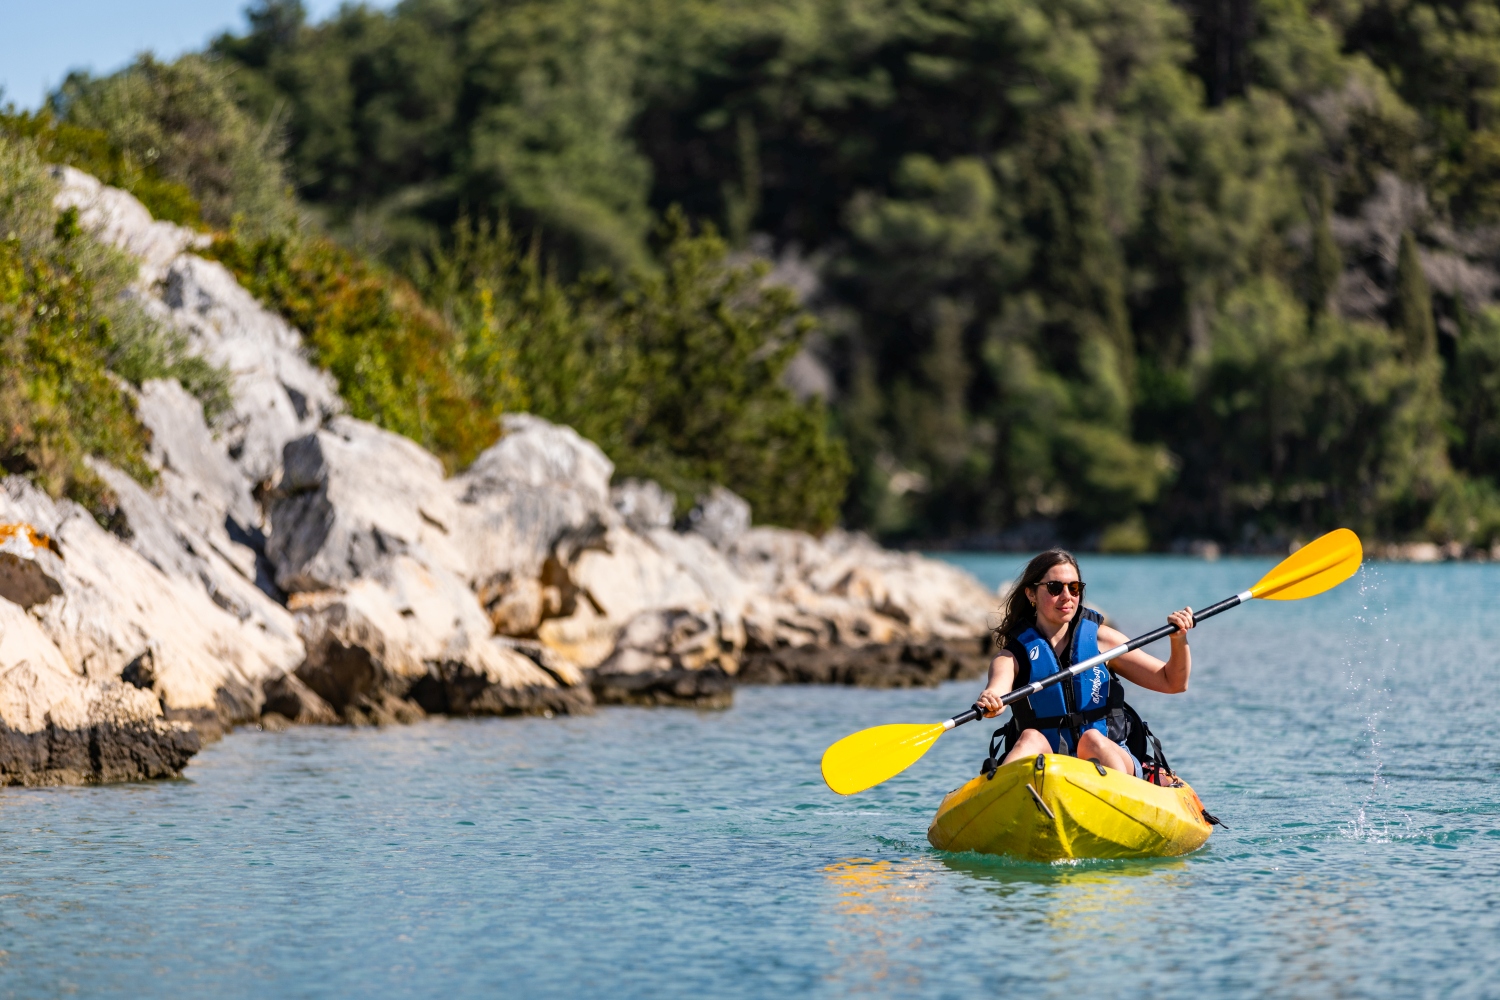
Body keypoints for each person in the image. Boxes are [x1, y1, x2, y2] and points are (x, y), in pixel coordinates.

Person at [975, 548, 1194, 778]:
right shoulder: (1012, 657)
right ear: (1031, 594)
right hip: (1050, 770)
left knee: (1091, 740)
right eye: (1055, 588)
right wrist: (991, 700)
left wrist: (1178, 640)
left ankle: (1120, 799)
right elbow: (997, 688)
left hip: (1112, 758)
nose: (1067, 596)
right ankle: (1005, 791)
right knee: (1031, 737)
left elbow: (1173, 682)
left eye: (1074, 587)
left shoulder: (1103, 641)